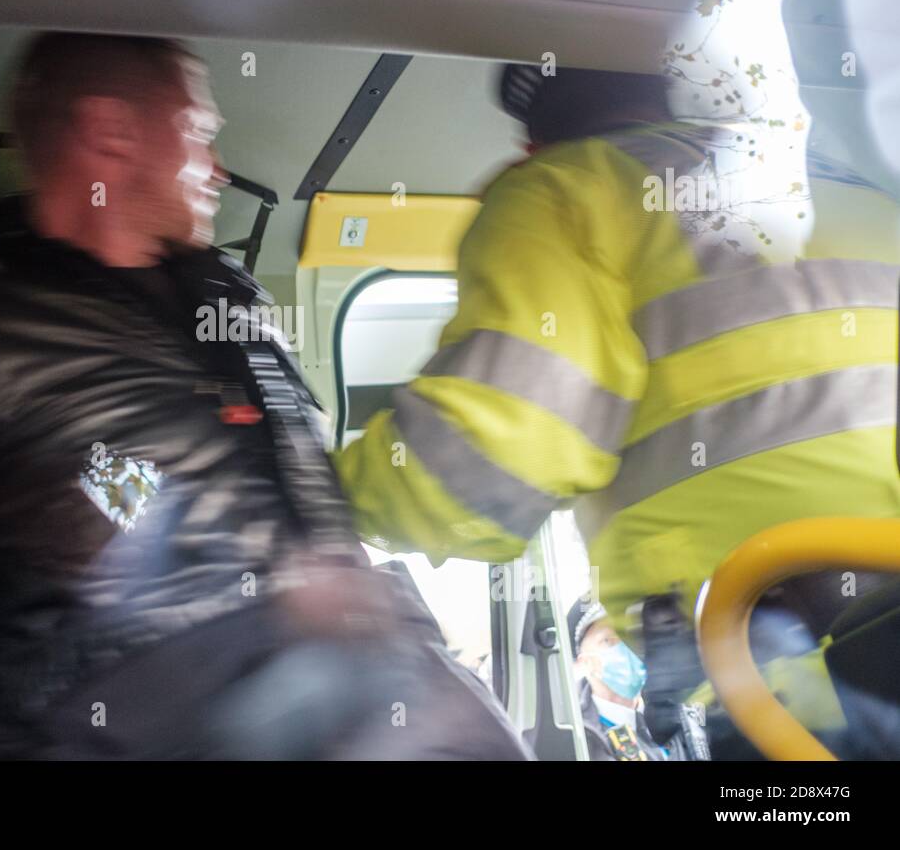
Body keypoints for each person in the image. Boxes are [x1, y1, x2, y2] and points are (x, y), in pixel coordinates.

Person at [0, 31, 530, 760]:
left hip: (375, 686)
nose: (219, 170)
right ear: (111, 132)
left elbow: (319, 518)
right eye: (200, 135)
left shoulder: (239, 308)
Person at [336, 63, 900, 757]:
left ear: (533, 147)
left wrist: (325, 495)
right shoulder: (846, 182)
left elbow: (498, 453)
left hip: (803, 660)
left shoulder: (567, 187)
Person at [567, 598, 668, 761]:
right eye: (608, 640)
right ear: (584, 662)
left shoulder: (677, 712)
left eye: (631, 636)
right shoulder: (575, 736)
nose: (627, 648)